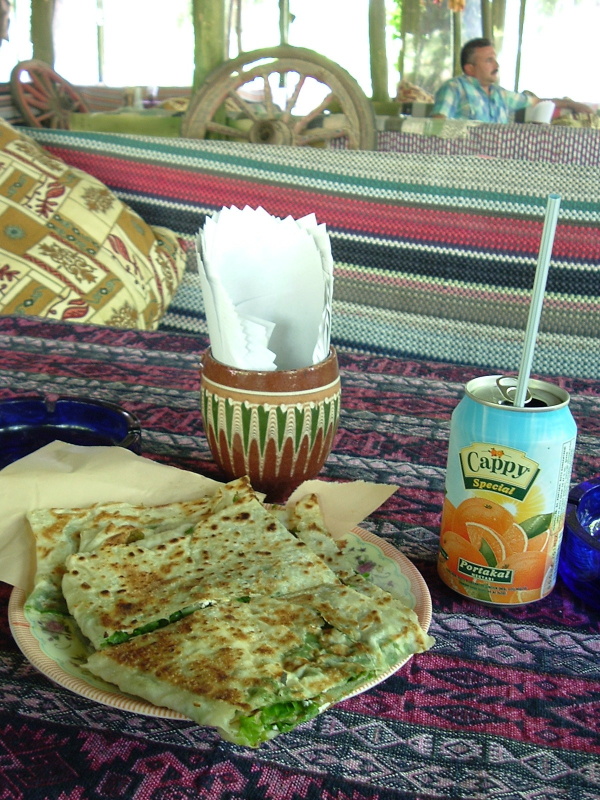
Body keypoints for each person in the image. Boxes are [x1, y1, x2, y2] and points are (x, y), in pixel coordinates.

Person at [431, 37, 592, 123]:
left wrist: (571, 104)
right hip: (462, 166)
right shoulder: (454, 88)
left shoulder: (500, 95)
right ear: (470, 68)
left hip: (496, 165)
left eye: (495, 59)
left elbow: (538, 102)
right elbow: (436, 126)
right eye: (488, 60)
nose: (496, 65)